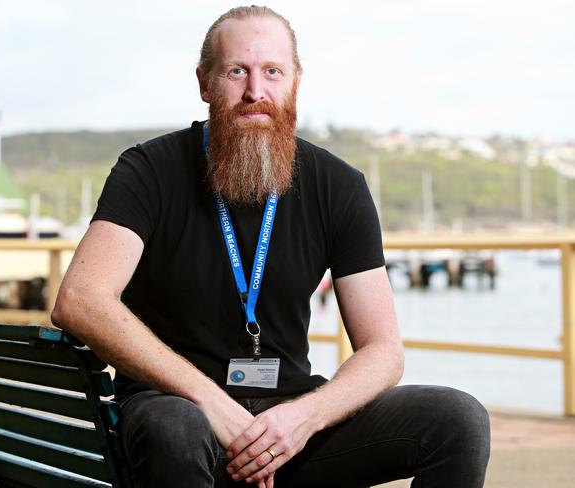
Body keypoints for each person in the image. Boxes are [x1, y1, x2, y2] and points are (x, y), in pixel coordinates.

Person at [52, 6, 490, 487]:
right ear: (205, 83)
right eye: (236, 71)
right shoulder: (149, 170)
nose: (255, 92)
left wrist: (303, 419)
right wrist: (210, 401)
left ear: (295, 81)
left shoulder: (339, 187)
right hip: (176, 414)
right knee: (174, 427)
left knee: (458, 421)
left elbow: (384, 351)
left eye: (272, 72)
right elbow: (81, 300)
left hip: (288, 427)